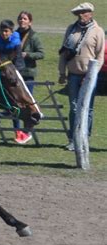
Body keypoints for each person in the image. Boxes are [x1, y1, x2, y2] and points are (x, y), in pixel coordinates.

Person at [58, 2, 105, 151]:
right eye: (79, 13)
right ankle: (72, 139)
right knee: (73, 108)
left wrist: (92, 75)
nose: (81, 15)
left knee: (87, 108)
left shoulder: (98, 31)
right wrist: (62, 73)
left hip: (89, 76)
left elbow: (99, 56)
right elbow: (63, 53)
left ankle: (85, 138)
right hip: (72, 75)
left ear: (90, 13)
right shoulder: (71, 30)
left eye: (84, 12)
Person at [11, 11, 45, 144]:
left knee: (28, 104)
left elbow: (41, 53)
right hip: (15, 74)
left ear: (30, 21)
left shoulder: (34, 36)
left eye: (25, 19)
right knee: (14, 103)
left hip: (28, 74)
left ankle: (27, 131)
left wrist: (28, 55)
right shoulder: (14, 35)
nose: (22, 21)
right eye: (20, 18)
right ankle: (17, 131)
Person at [0, 19, 26, 142]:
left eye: (6, 31)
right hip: (2, 71)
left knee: (16, 101)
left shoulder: (16, 42)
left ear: (11, 32)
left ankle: (18, 130)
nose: (4, 34)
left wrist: (12, 73)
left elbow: (17, 60)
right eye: (2, 31)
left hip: (15, 72)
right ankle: (7, 110)